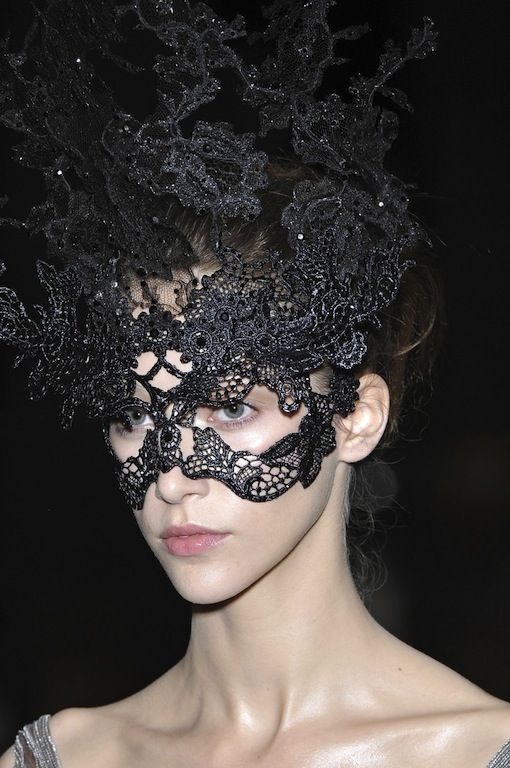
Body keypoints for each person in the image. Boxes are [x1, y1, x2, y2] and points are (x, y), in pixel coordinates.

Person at [0, 1, 509, 766]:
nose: (172, 478)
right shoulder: (63, 757)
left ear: (356, 417)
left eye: (231, 406)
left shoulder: (477, 752)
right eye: (132, 415)